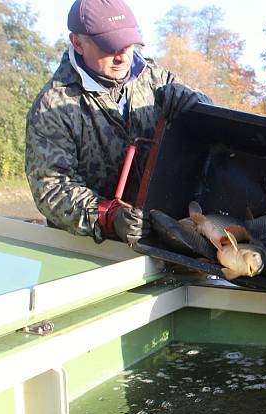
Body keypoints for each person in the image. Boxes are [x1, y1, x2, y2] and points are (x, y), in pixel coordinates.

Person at [26, 0, 210, 245]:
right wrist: (108, 216)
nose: (122, 56)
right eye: (109, 47)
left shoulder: (155, 77)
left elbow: (209, 119)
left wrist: (196, 103)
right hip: (90, 249)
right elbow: (52, 188)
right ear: (78, 43)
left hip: (164, 236)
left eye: (128, 44)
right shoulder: (53, 106)